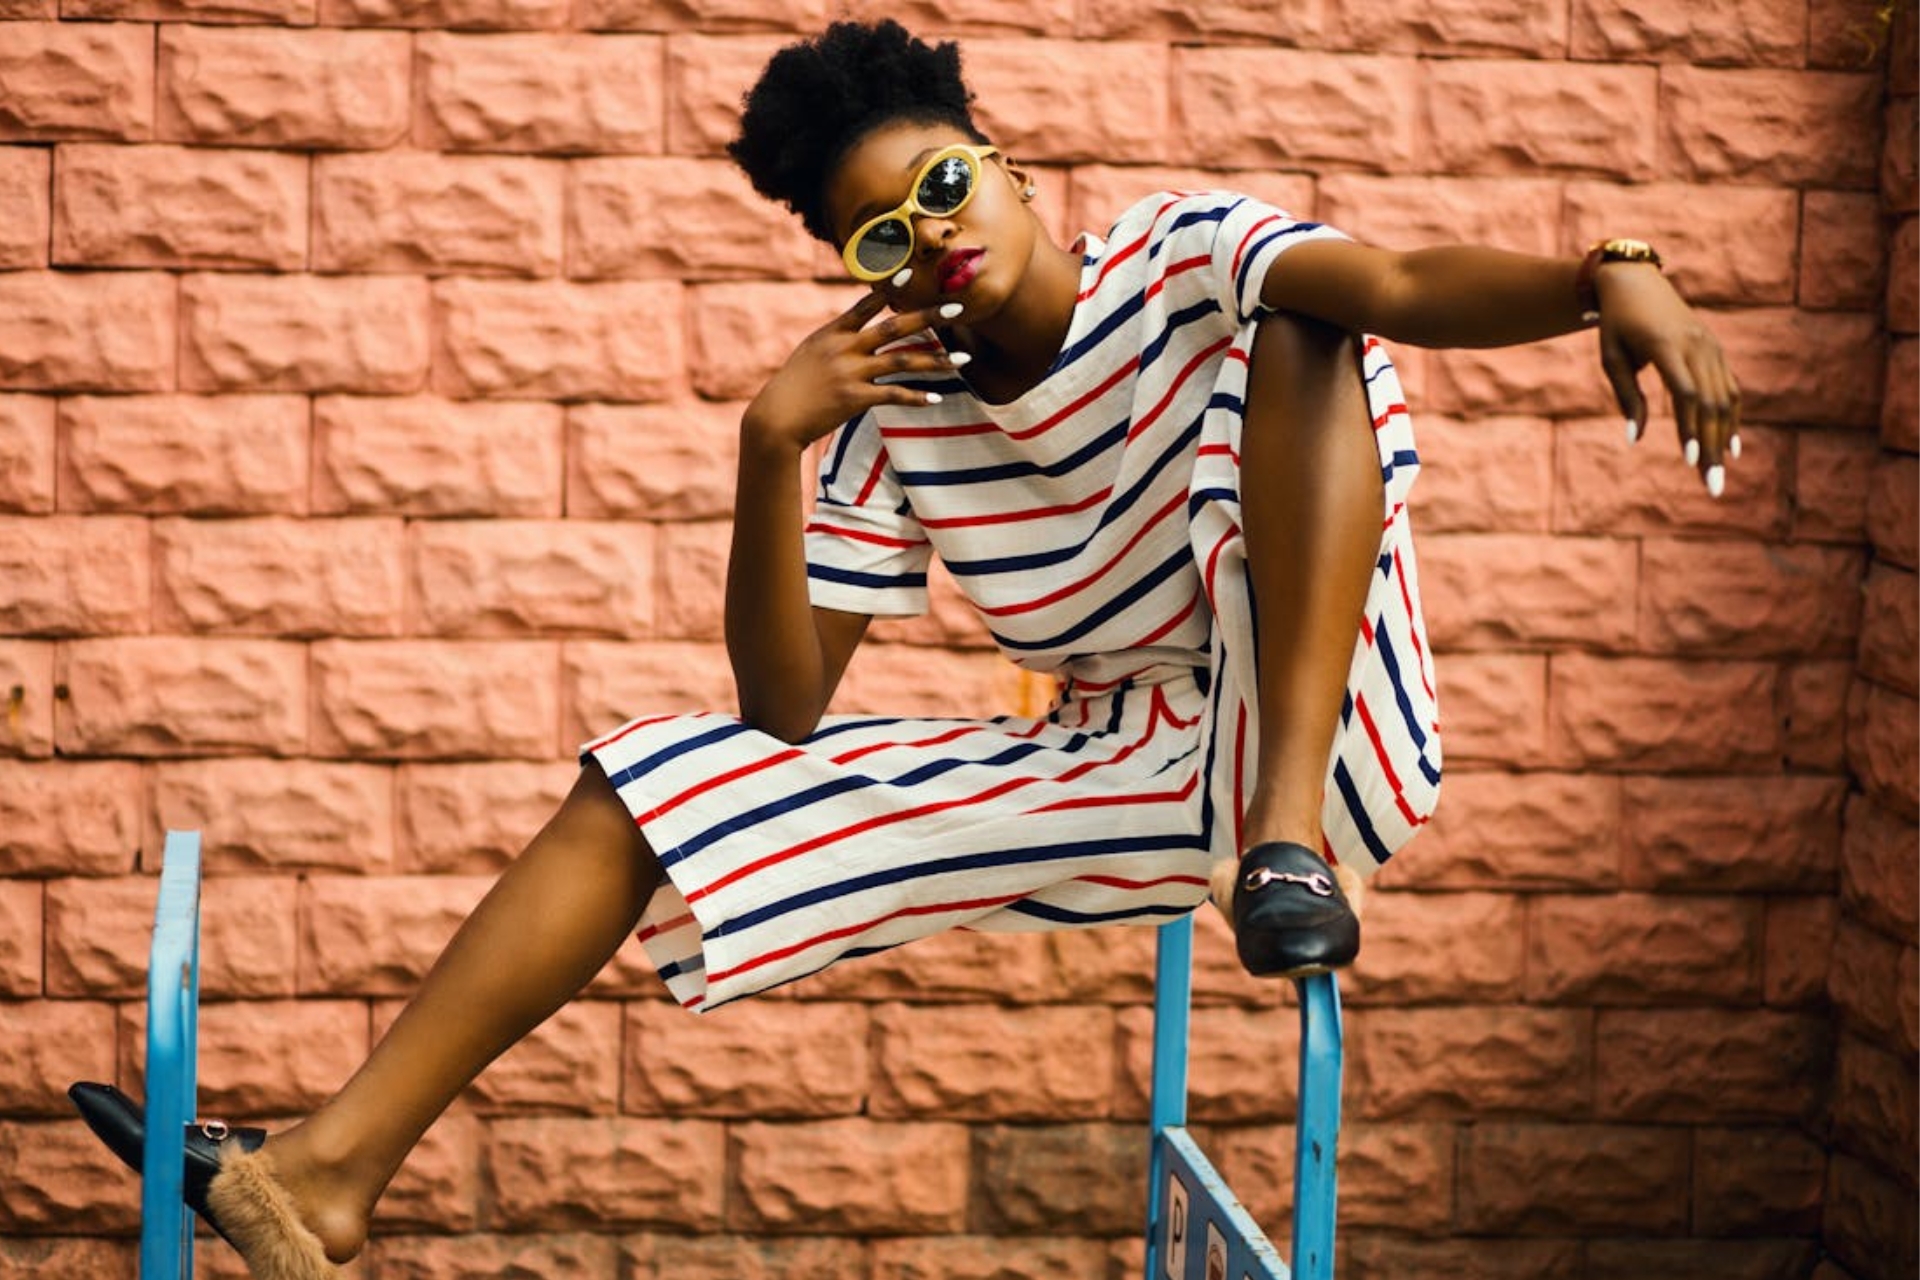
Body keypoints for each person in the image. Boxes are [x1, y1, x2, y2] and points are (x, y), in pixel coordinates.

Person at [68, 19, 1740, 1278]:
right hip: (1131, 765)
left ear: (1001, 159)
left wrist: (1609, 277)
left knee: (1308, 316)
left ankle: (1290, 847)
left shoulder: (1179, 256)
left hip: (1318, 720)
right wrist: (767, 445)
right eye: (884, 233)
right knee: (650, 777)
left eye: (943, 183)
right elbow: (782, 704)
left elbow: (1391, 275)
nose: (933, 234)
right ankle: (322, 1175)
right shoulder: (897, 416)